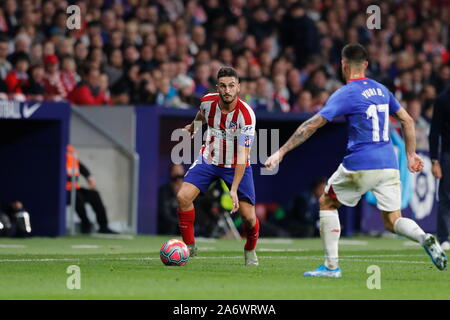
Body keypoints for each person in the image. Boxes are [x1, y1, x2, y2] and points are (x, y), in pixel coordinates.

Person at [265, 43, 447, 277]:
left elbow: (312, 124)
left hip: (361, 163)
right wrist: (411, 155)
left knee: (327, 203)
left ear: (343, 65)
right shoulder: (382, 90)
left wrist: (281, 152)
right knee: (393, 221)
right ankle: (424, 237)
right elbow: (408, 120)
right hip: (388, 164)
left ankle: (331, 267)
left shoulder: (346, 93)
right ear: (366, 65)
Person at [177, 67, 260, 266]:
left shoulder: (246, 116)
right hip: (209, 159)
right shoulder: (207, 102)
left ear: (238, 88)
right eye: (223, 86)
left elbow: (242, 155)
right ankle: (189, 246)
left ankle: (249, 249)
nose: (227, 90)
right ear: (217, 88)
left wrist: (233, 190)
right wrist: (193, 128)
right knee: (183, 197)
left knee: (248, 218)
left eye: (232, 86)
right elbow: (201, 115)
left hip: (236, 165)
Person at [66, 145, 118, 234]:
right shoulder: (57, 149)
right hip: (63, 191)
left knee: (94, 195)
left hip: (75, 187)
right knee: (78, 199)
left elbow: (78, 164)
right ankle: (86, 224)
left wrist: (89, 177)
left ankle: (103, 226)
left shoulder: (70, 149)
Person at [429, 85, 450, 251]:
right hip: (448, 155)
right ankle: (443, 238)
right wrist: (434, 160)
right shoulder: (443, 99)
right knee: (446, 197)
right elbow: (434, 132)